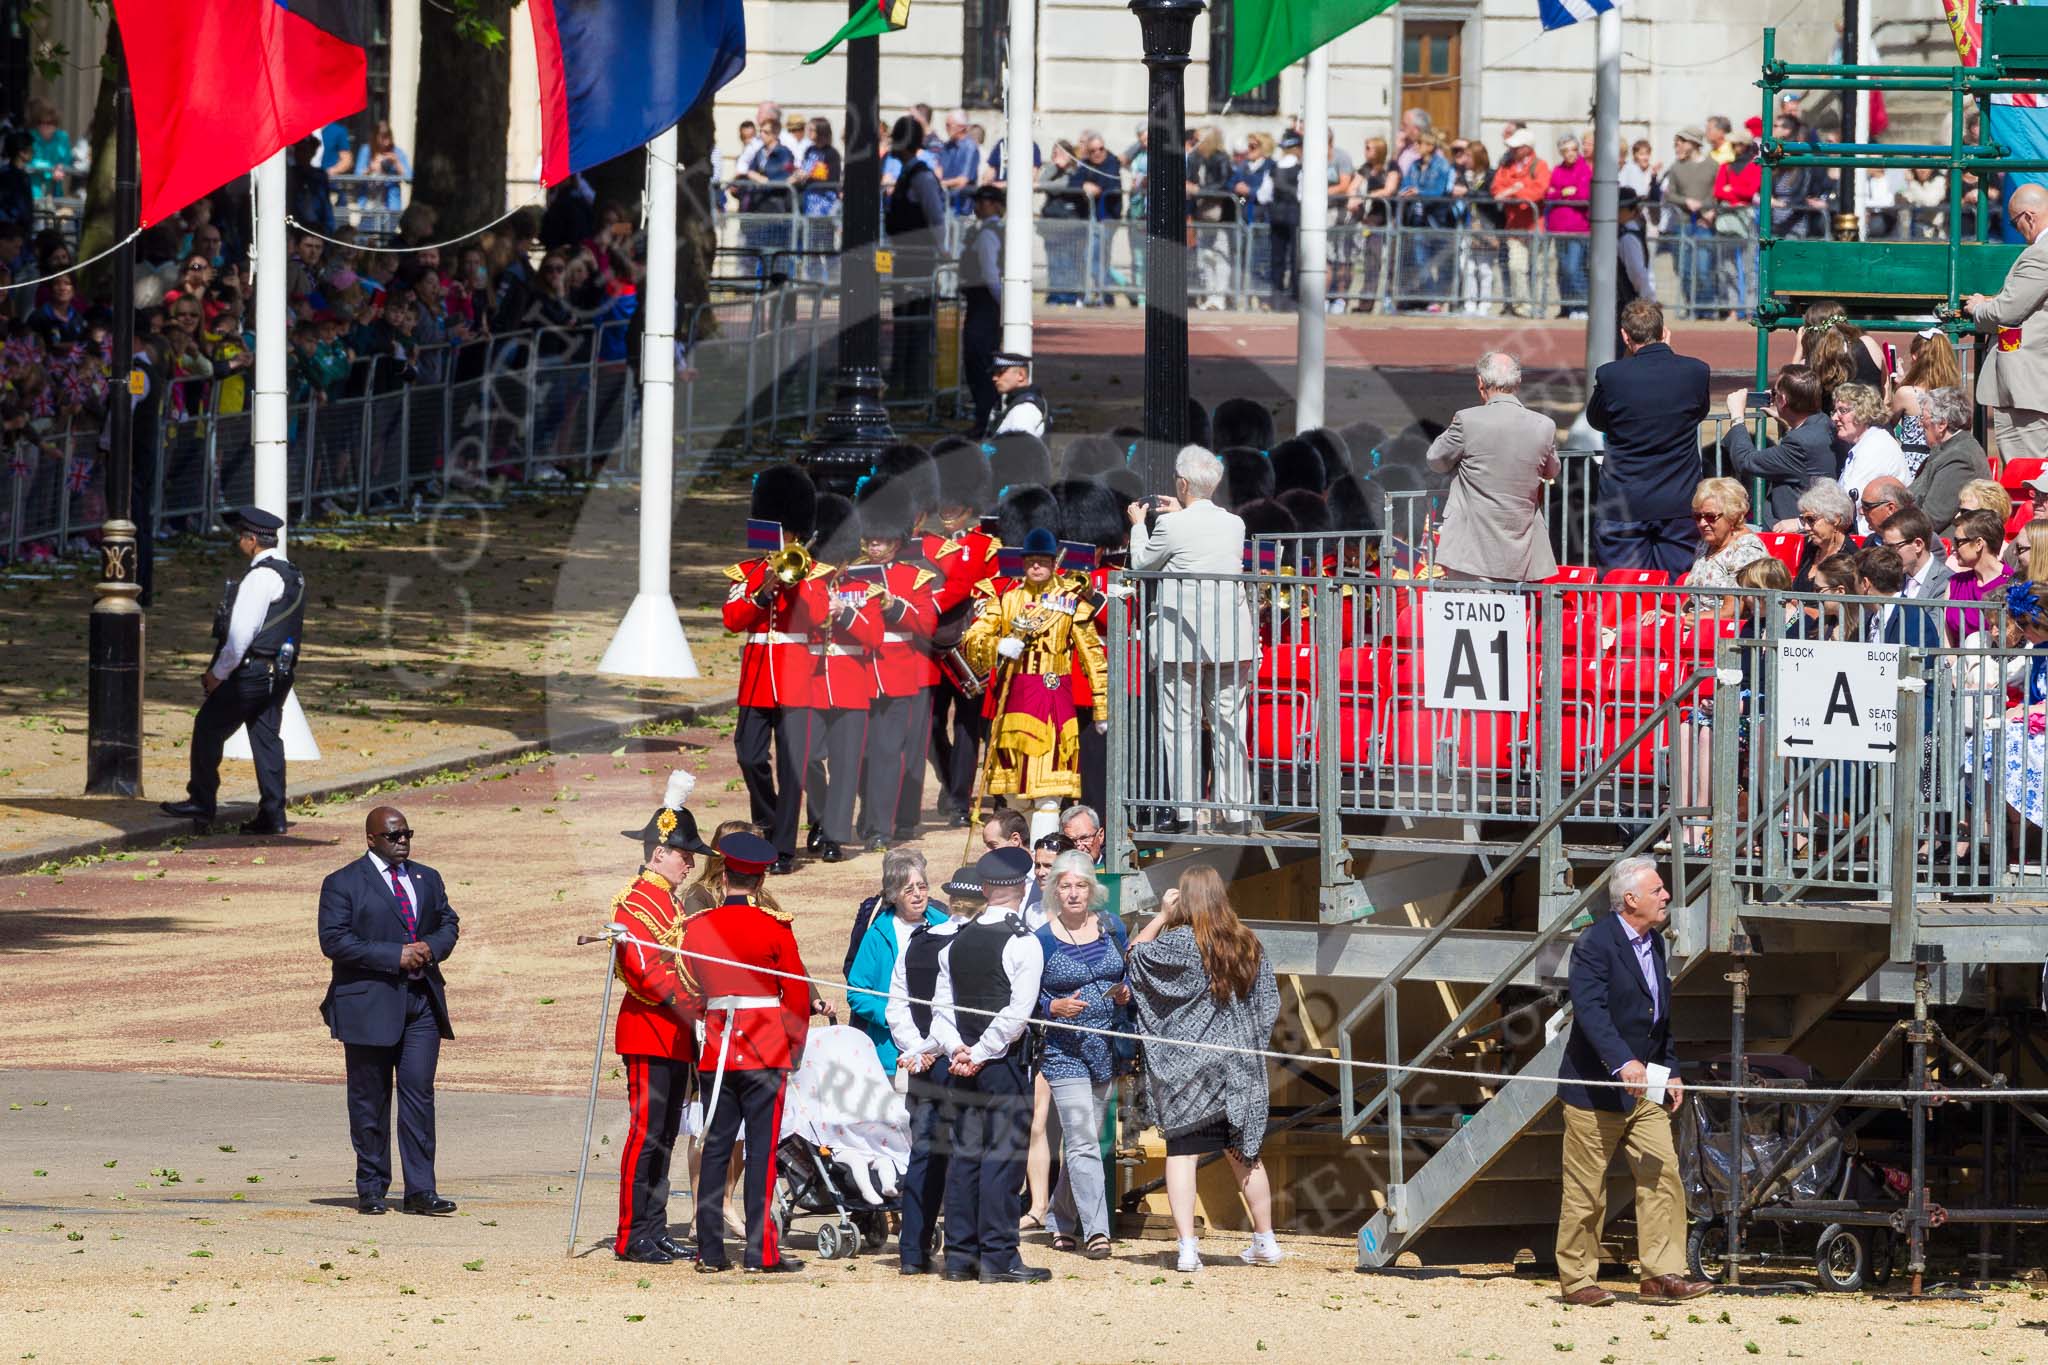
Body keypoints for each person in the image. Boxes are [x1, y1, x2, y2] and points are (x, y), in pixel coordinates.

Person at [1554, 857, 1709, 1307]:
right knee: (1586, 1190)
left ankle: (1661, 1275)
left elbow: (1658, 1017)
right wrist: (1622, 1061)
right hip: (1595, 1089)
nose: (1666, 896)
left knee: (1662, 1175)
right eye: (1657, 890)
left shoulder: (1654, 944)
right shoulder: (1595, 944)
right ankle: (1578, 1279)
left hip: (1647, 1090)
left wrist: (1671, 1067)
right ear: (1630, 900)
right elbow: (1590, 1012)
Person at [1126, 866, 1282, 1273]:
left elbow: (1134, 957)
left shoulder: (1178, 944)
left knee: (1182, 1155)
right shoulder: (1249, 943)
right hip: (1239, 1072)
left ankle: (1187, 1250)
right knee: (1245, 1154)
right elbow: (1269, 1006)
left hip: (1189, 1073)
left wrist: (1160, 915)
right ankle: (1266, 1241)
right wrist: (1248, 1047)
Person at [317, 806, 460, 1218]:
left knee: (419, 1096)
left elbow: (448, 922)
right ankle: (372, 1187)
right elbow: (334, 940)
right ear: (371, 839)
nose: (403, 842)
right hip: (369, 1005)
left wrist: (431, 948)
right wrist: (393, 955)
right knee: (369, 1100)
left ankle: (420, 1190)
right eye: (393, 836)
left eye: (407, 834)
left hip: (422, 1004)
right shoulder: (343, 883)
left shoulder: (426, 878)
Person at [682, 832, 814, 1274]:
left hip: (718, 1049)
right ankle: (761, 1252)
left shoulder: (698, 928)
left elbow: (694, 989)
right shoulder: (775, 927)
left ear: (723, 878)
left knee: (716, 1150)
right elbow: (794, 996)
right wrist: (793, 1049)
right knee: (761, 1153)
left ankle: (710, 1251)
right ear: (758, 881)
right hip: (765, 1050)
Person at [931, 847, 1051, 1283]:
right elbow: (1017, 1015)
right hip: (999, 1065)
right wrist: (979, 1053)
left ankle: (961, 1256)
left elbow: (938, 1007)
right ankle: (999, 1258)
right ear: (1021, 888)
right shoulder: (1023, 942)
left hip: (964, 1061)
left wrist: (956, 1050)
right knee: (1001, 1161)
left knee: (964, 1158)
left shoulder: (955, 941)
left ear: (983, 890)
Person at [609, 772, 715, 1264]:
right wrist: (696, 1001)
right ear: (659, 853)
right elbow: (647, 975)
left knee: (665, 1136)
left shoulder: (670, 900)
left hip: (674, 1034)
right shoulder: (635, 900)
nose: (689, 862)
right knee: (645, 1134)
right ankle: (631, 1233)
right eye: (683, 854)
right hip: (650, 1028)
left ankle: (652, 1227)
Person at [1126, 446, 1256, 835]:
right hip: (1232, 639)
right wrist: (1182, 512)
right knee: (1230, 725)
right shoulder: (1235, 523)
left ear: (1182, 484)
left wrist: (1138, 524)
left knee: (1179, 725)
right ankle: (1238, 813)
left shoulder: (1170, 525)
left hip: (1180, 639)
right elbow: (1201, 536)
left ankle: (1184, 812)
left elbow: (1141, 564)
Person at [158, 507, 306, 835]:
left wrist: (217, 675)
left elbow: (240, 637)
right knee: (266, 739)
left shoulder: (259, 577)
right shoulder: (291, 572)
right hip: (280, 672)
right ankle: (273, 814)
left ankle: (201, 800)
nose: (239, 541)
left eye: (241, 536)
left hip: (252, 671)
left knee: (208, 726)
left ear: (252, 540)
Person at [961, 528, 1108, 843]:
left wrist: (1100, 706)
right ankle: (1021, 860)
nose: (1036, 567)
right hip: (1015, 703)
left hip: (1054, 702)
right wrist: (998, 645)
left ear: (1054, 563)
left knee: (1049, 795)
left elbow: (1092, 654)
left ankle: (1046, 859)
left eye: (1043, 561)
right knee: (1016, 795)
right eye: (1031, 562)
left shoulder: (1070, 601)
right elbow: (973, 638)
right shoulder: (1007, 599)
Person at [722, 466, 821, 874]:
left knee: (792, 765)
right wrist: (762, 591)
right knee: (749, 756)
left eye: (787, 531)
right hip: (758, 678)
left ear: (797, 534)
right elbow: (732, 618)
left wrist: (792, 581)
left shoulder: (815, 574)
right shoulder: (747, 572)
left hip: (796, 678)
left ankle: (782, 849)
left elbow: (818, 617)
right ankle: (767, 824)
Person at [887, 864, 984, 1274]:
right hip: (965, 1062)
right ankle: (963, 1252)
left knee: (924, 1155)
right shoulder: (980, 944)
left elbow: (897, 1004)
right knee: (966, 1156)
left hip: (927, 1064)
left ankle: (912, 1251)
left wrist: (916, 1049)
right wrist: (930, 1050)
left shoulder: (919, 942)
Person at [1035, 849, 1131, 1260]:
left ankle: (1059, 1218)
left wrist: (1125, 993)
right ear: (1055, 890)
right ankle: (1097, 1231)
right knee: (1081, 1141)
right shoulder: (1040, 939)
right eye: (1066, 885)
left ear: (1092, 890)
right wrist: (1051, 1008)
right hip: (1063, 1052)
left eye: (1080, 885)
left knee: (1085, 1142)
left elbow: (1125, 973)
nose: (1073, 893)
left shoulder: (1112, 927)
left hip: (1106, 1048)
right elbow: (1023, 996)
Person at [850, 482, 942, 850]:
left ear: (897, 541)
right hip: (856, 675)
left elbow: (926, 625)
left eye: (882, 541)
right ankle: (867, 812)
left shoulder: (914, 577)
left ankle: (879, 828)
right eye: (870, 540)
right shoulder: (851, 573)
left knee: (888, 755)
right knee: (859, 755)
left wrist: (893, 606)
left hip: (896, 674)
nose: (874, 547)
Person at [1586, 301, 1710, 573]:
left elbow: (1596, 419)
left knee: (1622, 601)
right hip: (1678, 499)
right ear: (1664, 331)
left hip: (1624, 502)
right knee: (1677, 597)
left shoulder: (1611, 375)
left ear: (1624, 336)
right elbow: (1699, 413)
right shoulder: (1695, 371)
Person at [1427, 350, 1561, 582]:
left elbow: (1436, 460)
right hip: (1523, 549)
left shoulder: (1466, 420)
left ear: (1481, 382)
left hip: (1471, 551)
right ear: (1518, 382)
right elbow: (1552, 470)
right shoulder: (1544, 426)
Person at [922, 446, 1000, 825]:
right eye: (943, 508)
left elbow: (962, 586)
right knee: (930, 724)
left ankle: (957, 798)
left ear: (968, 506)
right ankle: (951, 781)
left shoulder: (985, 544)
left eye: (952, 508)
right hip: (931, 645)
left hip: (969, 645)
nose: (946, 514)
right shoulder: (930, 543)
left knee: (968, 724)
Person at [1966, 182, 2048, 460]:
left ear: (2029, 216)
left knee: (2026, 476)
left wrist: (1979, 309)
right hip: (2033, 385)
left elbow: (2008, 312)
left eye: (2015, 223)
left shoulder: (2041, 252)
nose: (2018, 232)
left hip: (2026, 387)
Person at [846, 852, 948, 1072]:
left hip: (941, 1048)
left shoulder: (945, 925)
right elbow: (856, 992)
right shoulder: (877, 934)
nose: (918, 895)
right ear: (893, 895)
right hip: (893, 1049)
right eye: (909, 890)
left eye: (922, 887)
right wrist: (892, 1016)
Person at [1725, 364, 1834, 524]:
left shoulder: (1798, 443)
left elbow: (1745, 460)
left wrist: (1737, 418)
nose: (1771, 395)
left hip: (1794, 529)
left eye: (1774, 393)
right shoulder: (1825, 423)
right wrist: (1788, 422)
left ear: (1782, 400)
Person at [885, 115, 947, 398]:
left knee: (919, 322)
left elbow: (935, 217)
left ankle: (917, 385)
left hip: (920, 260)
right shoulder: (908, 174)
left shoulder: (921, 176)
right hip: (906, 259)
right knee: (905, 321)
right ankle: (903, 379)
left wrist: (941, 249)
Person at [1682, 477, 1771, 614]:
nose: (1702, 523)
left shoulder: (1746, 549)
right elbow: (1695, 599)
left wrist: (1681, 621)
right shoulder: (1704, 544)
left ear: (1733, 516)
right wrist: (1672, 616)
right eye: (1698, 516)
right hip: (1698, 625)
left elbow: (1731, 612)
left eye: (1710, 517)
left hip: (1726, 630)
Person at [1911, 386, 1994, 531]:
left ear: (1942, 424)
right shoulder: (1944, 448)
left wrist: (1893, 523)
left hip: (1943, 544)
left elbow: (1931, 518)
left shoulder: (1959, 457)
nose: (1920, 423)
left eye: (1923, 418)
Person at [1830, 383, 1908, 533]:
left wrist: (1801, 523)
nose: (1834, 418)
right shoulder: (1865, 443)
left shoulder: (1875, 446)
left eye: (1843, 411)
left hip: (1875, 538)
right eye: (1834, 411)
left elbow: (1846, 503)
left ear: (1863, 412)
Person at [961, 185, 1005, 435]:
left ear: (997, 205)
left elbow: (990, 274)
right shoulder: (988, 231)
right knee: (981, 360)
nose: (978, 206)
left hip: (985, 306)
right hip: (985, 305)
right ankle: (985, 416)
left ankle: (984, 419)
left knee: (979, 361)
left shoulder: (988, 234)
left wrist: (1001, 305)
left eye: (984, 201)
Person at [1946, 508, 2013, 645]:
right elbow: (1945, 637)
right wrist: (1952, 664)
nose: (1953, 547)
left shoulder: (2012, 584)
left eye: (1958, 541)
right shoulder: (1955, 583)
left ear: (1978, 544)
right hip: (1956, 665)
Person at [1878, 506, 1954, 603]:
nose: (1887, 553)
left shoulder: (1947, 583)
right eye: (1884, 547)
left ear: (1918, 545)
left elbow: (1933, 618)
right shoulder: (1888, 578)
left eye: (1892, 547)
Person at [1792, 481, 1857, 591]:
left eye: (1811, 519)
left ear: (1836, 519)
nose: (1806, 527)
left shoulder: (1850, 557)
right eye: (1803, 520)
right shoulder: (1811, 549)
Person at [988, 350, 1050, 439]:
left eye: (1000, 373)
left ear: (1021, 375)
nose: (994, 378)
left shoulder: (1023, 410)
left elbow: (1018, 449)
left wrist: (985, 450)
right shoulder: (1019, 403)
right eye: (994, 373)